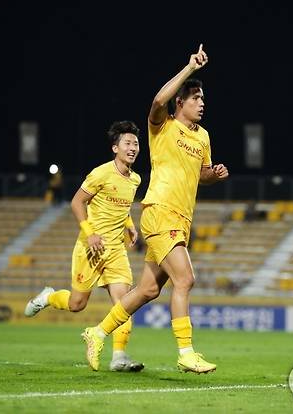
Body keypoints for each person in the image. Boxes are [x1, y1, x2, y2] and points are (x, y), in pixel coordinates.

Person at [82, 44, 229, 374]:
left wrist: (213, 175)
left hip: (182, 215)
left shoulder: (203, 136)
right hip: (160, 210)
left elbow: (200, 175)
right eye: (196, 99)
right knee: (186, 279)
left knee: (147, 290)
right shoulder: (162, 125)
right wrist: (190, 68)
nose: (202, 104)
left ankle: (97, 332)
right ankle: (186, 351)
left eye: (203, 99)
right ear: (181, 103)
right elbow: (158, 101)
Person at [24, 121, 144, 372]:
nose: (133, 148)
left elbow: (121, 207)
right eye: (127, 143)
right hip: (90, 248)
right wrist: (89, 234)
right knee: (77, 304)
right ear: (115, 148)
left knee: (124, 304)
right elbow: (77, 202)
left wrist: (130, 223)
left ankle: (119, 356)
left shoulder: (135, 179)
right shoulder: (100, 173)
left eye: (136, 143)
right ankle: (48, 296)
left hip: (115, 251)